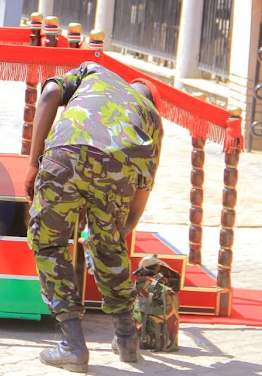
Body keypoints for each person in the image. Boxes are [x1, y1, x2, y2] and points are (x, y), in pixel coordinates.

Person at [24, 62, 164, 372]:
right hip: (120, 167)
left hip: (67, 153)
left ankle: (72, 344)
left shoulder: (94, 72)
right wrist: (112, 236)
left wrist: (33, 163)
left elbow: (49, 93)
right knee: (109, 247)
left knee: (49, 243)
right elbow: (141, 196)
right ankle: (127, 340)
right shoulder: (152, 118)